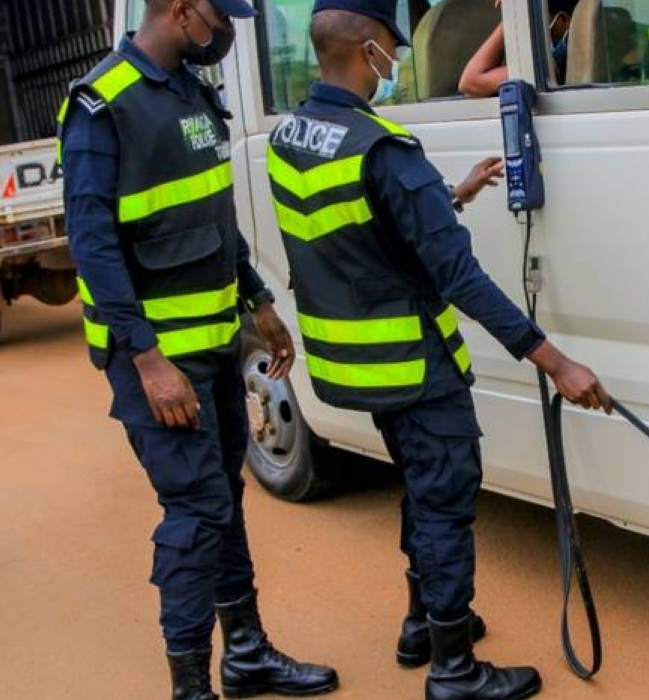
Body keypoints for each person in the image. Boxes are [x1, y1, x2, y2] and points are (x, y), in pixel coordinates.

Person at [266, 2, 612, 698]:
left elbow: (357, 236)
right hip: (415, 368)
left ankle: (422, 625)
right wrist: (558, 364)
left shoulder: (292, 136)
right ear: (368, 50)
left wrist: (446, 198)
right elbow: (460, 279)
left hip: (354, 365)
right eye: (392, 46)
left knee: (422, 490)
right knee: (446, 500)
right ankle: (454, 670)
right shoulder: (384, 149)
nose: (394, 60)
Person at [58, 1, 338, 698]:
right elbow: (92, 247)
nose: (229, 33)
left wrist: (259, 303)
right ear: (182, 9)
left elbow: (211, 212)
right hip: (159, 364)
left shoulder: (189, 91)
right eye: (222, 17)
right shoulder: (103, 107)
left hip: (215, 346)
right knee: (195, 512)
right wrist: (148, 362)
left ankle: (245, 654)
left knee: (223, 500)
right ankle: (191, 687)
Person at [459, 0, 572, 97]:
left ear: (563, 21)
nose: (527, 30)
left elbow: (471, 81)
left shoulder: (548, 71)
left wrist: (513, 12)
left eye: (534, 19)